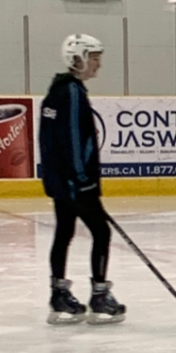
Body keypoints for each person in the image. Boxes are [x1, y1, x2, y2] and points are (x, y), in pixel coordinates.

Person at [40, 34, 126, 325]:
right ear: (77, 59)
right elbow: (75, 141)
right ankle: (100, 298)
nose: (98, 65)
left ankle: (58, 296)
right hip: (75, 183)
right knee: (101, 233)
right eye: (95, 58)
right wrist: (82, 180)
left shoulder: (56, 90)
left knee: (64, 232)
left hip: (60, 182)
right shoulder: (73, 92)